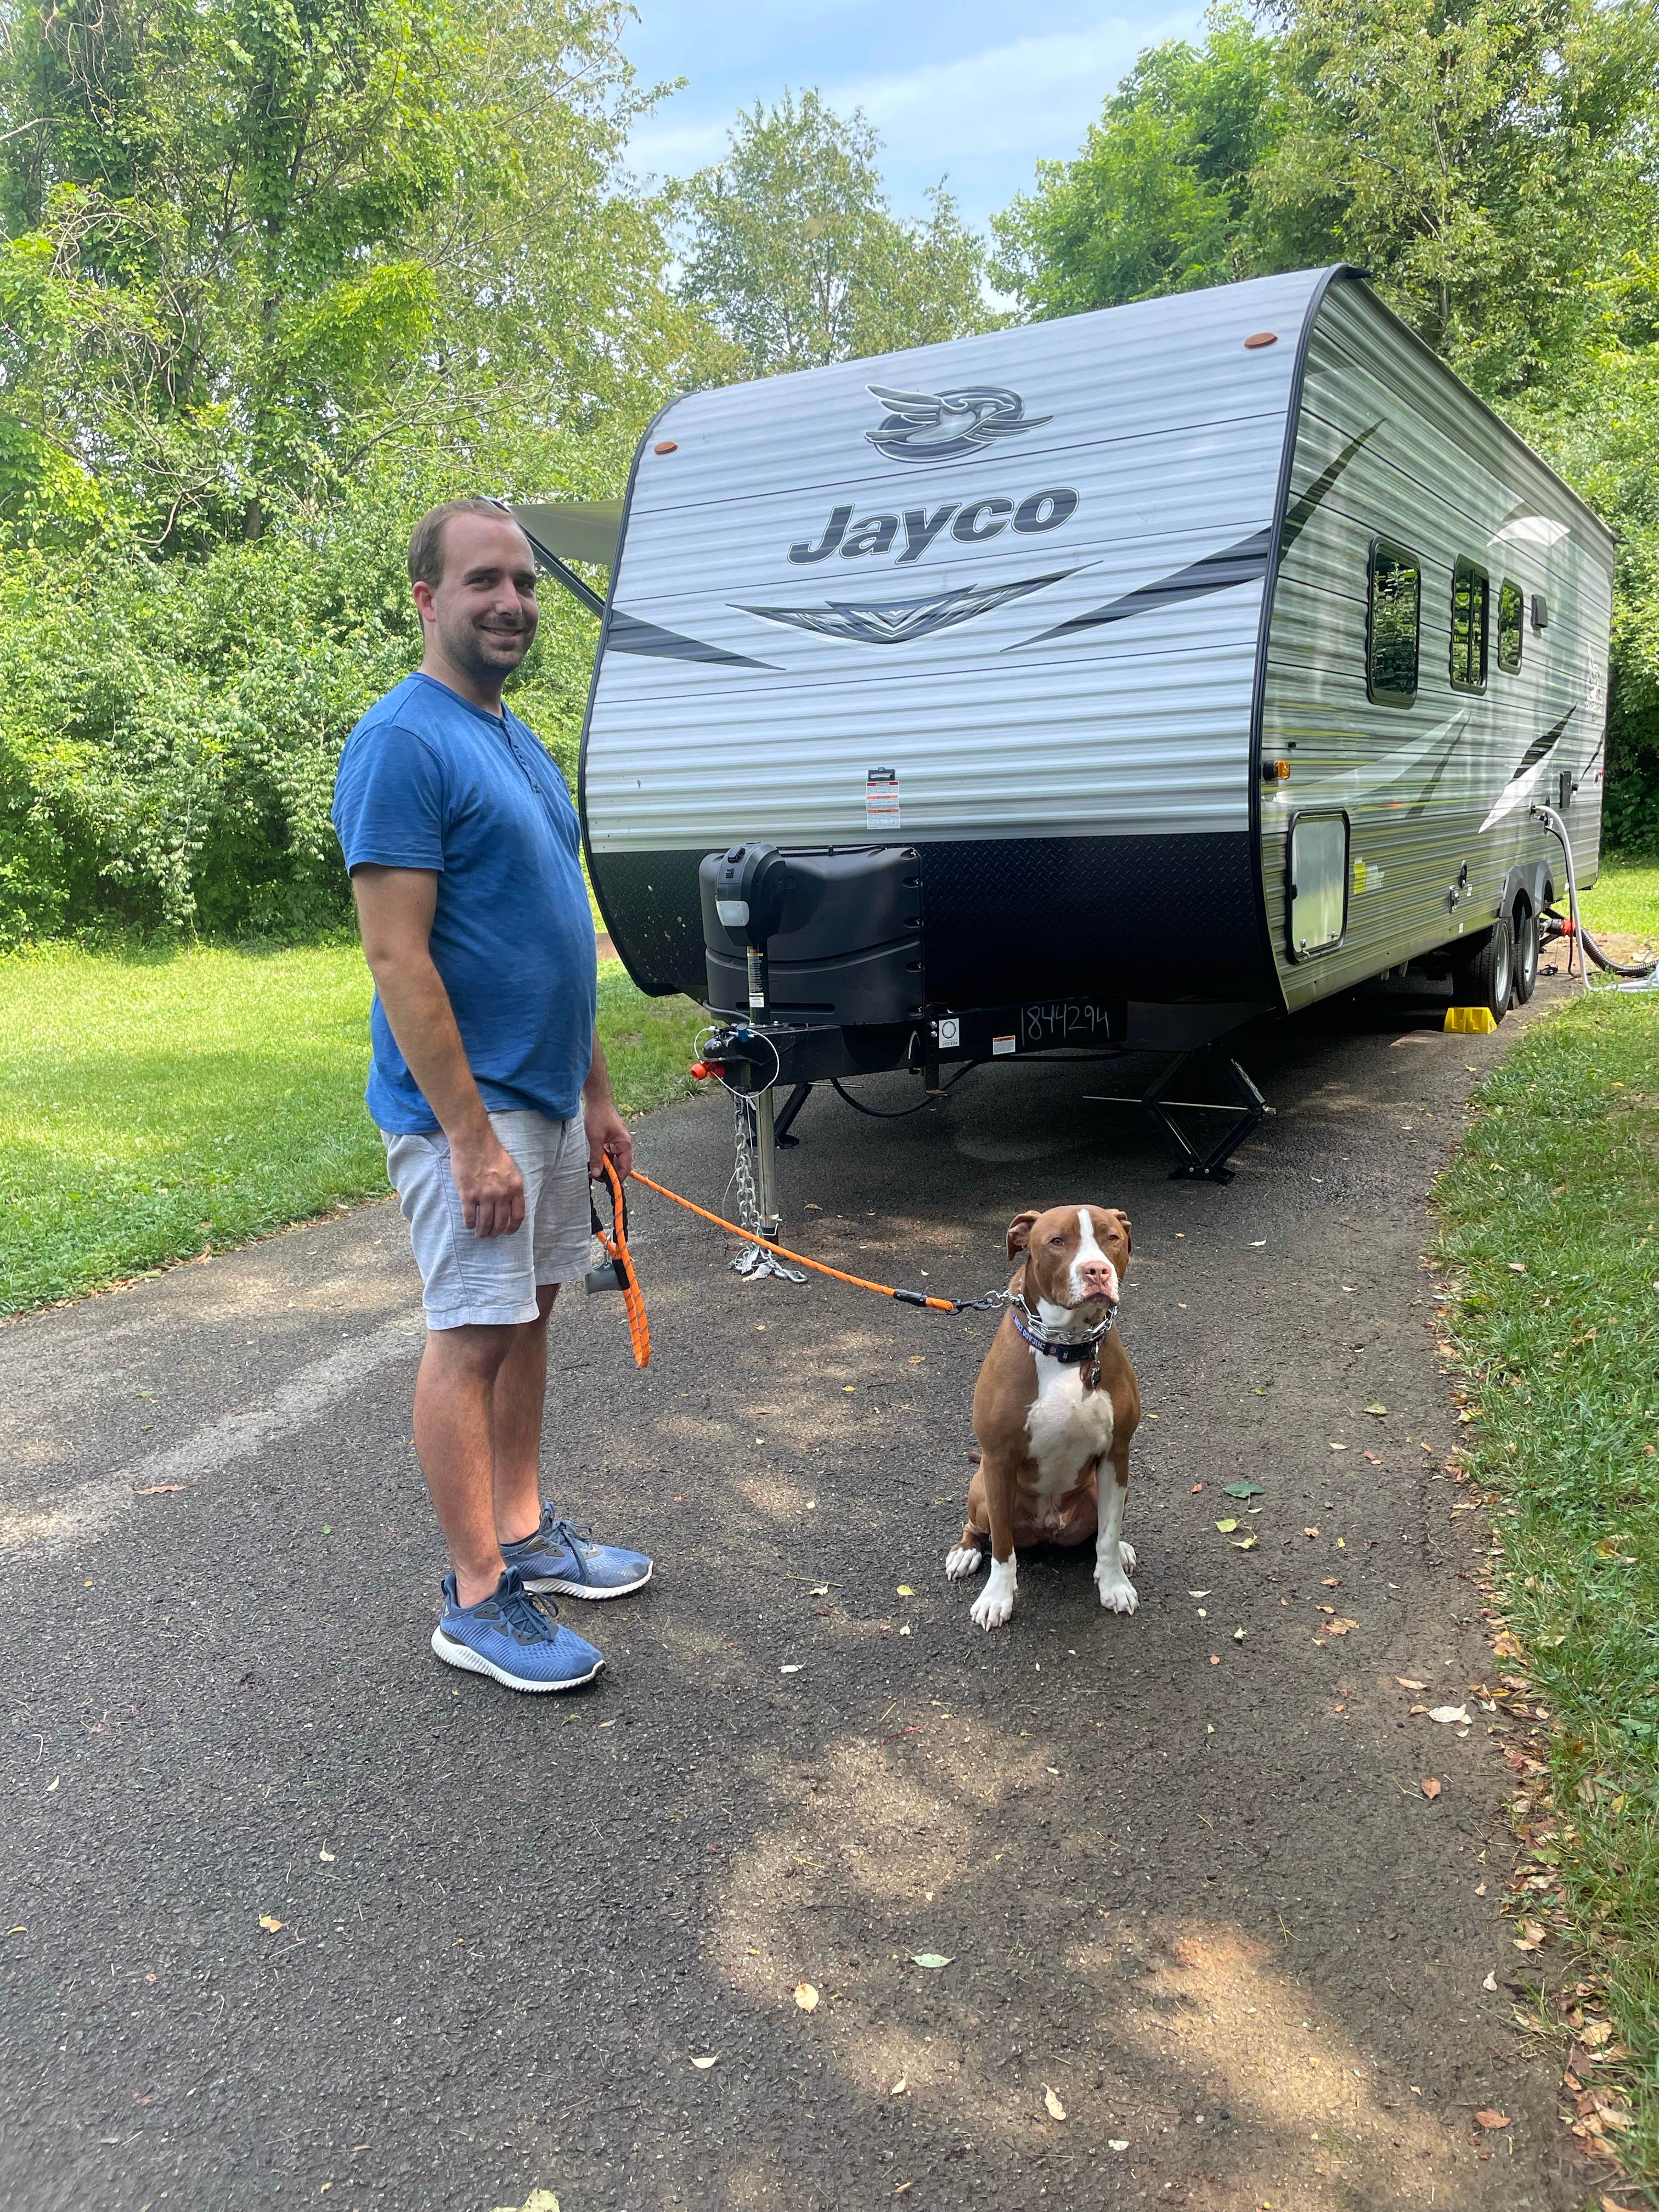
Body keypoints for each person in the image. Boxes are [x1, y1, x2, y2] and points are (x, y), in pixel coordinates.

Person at [331, 496, 651, 1694]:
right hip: (469, 1113)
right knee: (469, 1337)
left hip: (551, 1103)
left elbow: (558, 938)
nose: (511, 602)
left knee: (532, 1318)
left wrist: (601, 1098)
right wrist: (470, 1139)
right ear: (427, 599)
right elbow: (397, 956)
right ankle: (475, 1595)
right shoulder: (402, 742)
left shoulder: (516, 739)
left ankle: (525, 1532)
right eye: (482, 582)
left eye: (522, 581)